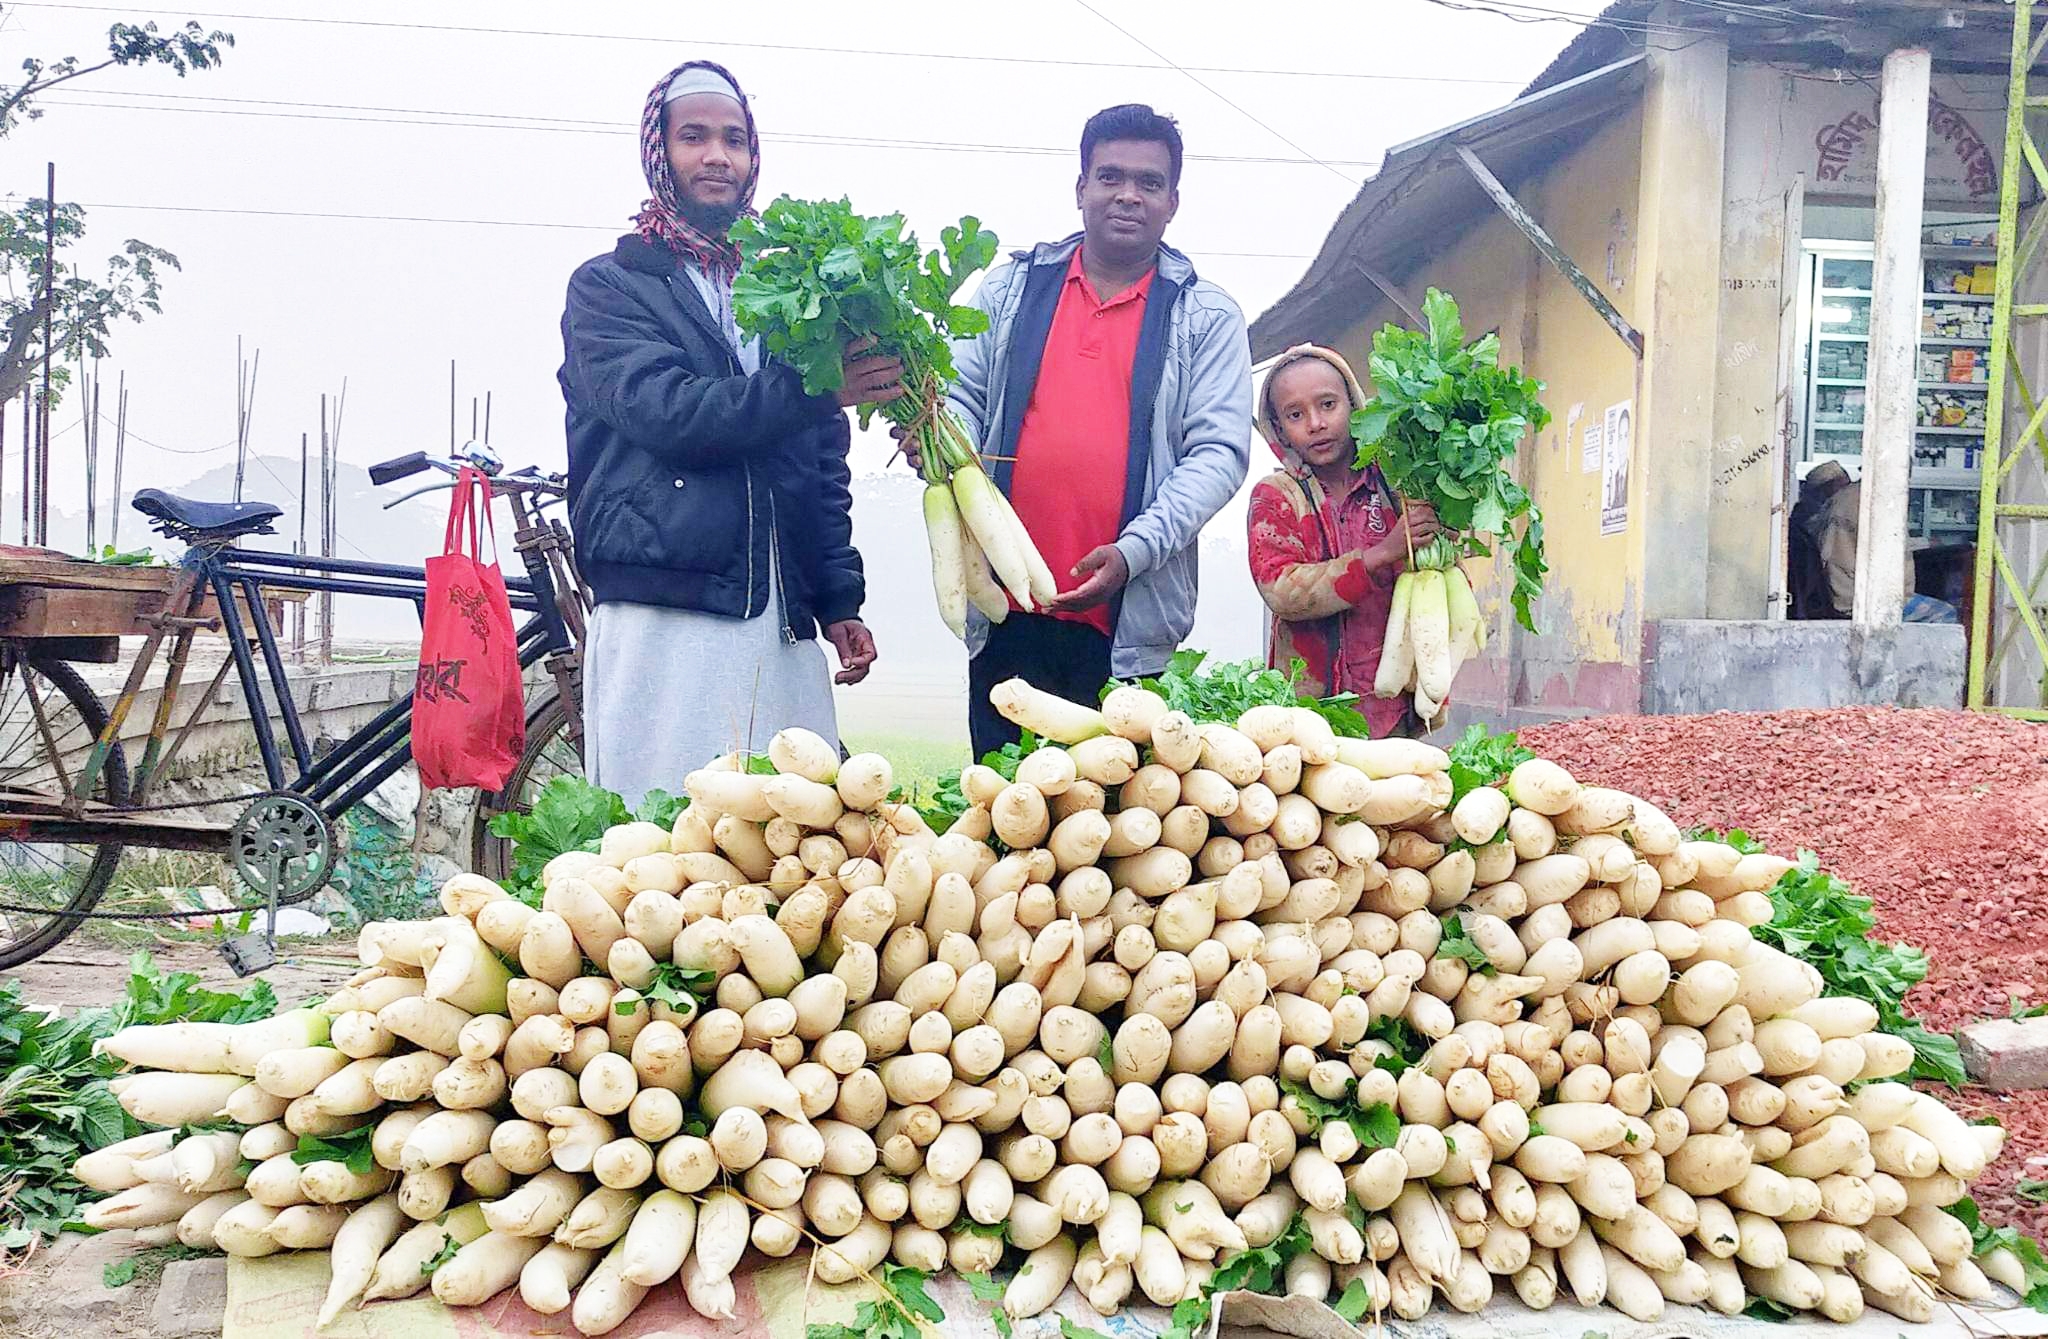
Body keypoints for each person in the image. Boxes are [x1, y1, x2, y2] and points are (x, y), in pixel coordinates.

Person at [557, 59, 901, 806]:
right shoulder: (609, 289)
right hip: (665, 610)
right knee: (655, 839)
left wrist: (838, 597)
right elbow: (670, 413)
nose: (718, 155)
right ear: (659, 153)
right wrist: (815, 388)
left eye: (734, 139)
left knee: (789, 834)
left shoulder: (787, 290)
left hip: (776, 609)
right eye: (695, 136)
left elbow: (820, 458)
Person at [920, 103, 1253, 757]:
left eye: (1148, 182)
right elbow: (957, 394)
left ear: (1172, 201)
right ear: (1081, 189)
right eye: (1110, 176)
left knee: (1119, 834)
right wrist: (941, 445)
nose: (1128, 194)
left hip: (1129, 625)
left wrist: (1134, 550)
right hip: (1005, 608)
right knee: (1005, 814)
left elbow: (1219, 454)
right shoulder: (1010, 291)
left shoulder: (1204, 316)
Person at [1246, 344, 1445, 738]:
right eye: (1296, 414)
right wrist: (1380, 554)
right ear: (1278, 426)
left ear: (1354, 405)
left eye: (1328, 405)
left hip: (1392, 708)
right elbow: (1282, 590)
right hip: (1307, 715)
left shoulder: (1398, 484)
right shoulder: (1277, 496)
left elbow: (1433, 571)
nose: (1316, 423)